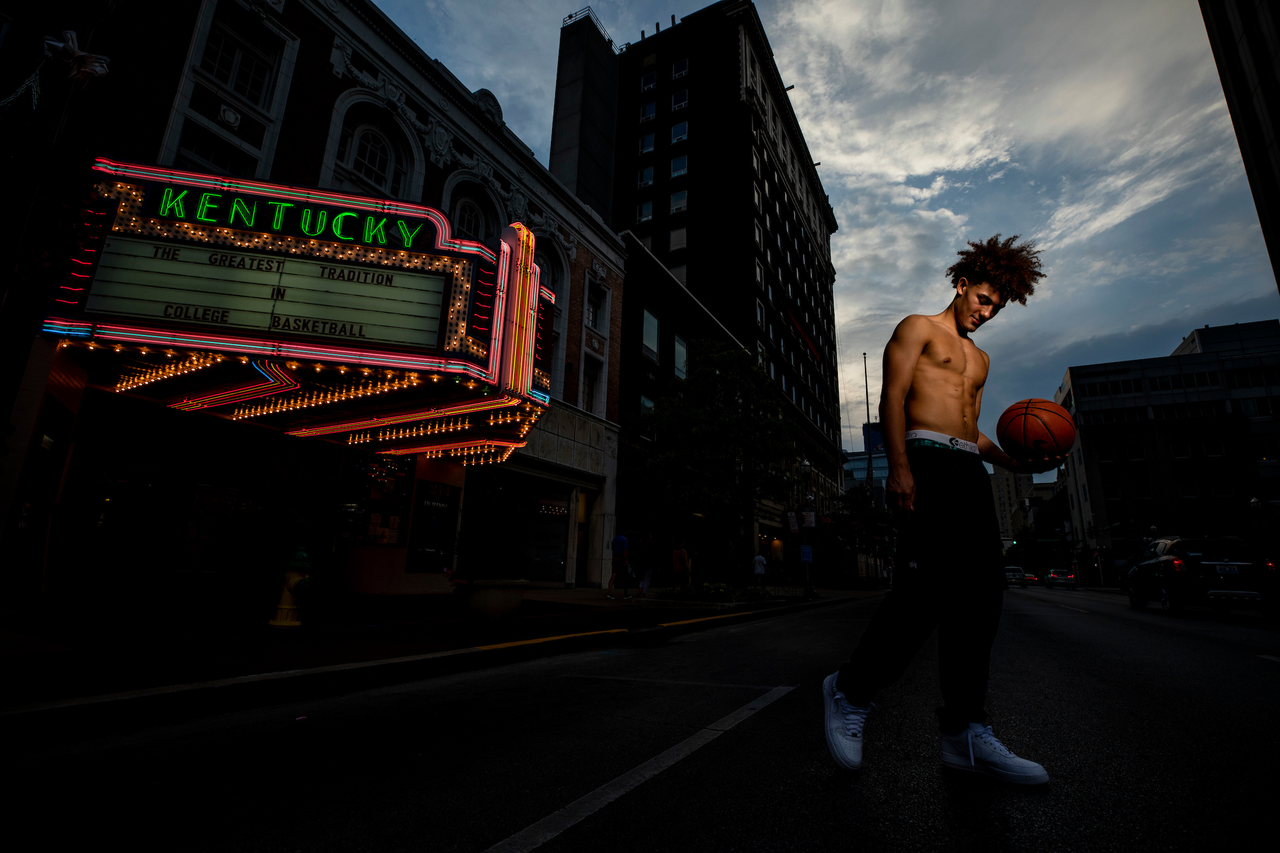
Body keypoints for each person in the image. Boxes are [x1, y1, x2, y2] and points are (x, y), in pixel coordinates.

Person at [823, 235, 1060, 785]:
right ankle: (850, 690)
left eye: (996, 307)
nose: (987, 312)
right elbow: (892, 399)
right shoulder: (916, 328)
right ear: (960, 284)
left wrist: (1011, 464)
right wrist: (900, 468)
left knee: (981, 601)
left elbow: (971, 430)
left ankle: (964, 733)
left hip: (967, 472)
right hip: (925, 460)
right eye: (982, 299)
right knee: (923, 594)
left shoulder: (980, 358)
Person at [607, 532, 632, 600]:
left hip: (615, 558)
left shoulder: (614, 539)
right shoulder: (625, 539)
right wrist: (626, 559)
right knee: (625, 575)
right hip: (621, 558)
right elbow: (625, 550)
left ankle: (609, 592)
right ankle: (625, 593)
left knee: (613, 575)